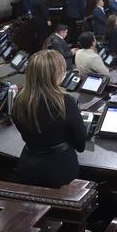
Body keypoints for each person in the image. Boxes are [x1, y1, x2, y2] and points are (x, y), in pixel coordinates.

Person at [12, 50, 87, 188]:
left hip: (27, 166)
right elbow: (80, 144)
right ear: (56, 74)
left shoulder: (19, 99)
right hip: (59, 170)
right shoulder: (65, 101)